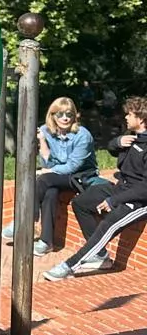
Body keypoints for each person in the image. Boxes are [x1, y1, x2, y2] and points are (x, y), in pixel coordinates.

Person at [44, 97, 147, 280]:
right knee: (81, 202)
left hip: (138, 201)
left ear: (141, 118)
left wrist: (114, 201)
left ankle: (69, 266)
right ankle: (100, 255)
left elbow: (144, 188)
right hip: (121, 188)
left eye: (129, 114)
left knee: (107, 226)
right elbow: (111, 148)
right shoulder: (132, 138)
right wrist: (118, 142)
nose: (125, 117)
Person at [1, 97, 98, 254]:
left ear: (75, 116)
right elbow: (48, 165)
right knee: (50, 192)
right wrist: (43, 142)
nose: (65, 118)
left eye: (69, 114)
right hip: (57, 177)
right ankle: (46, 242)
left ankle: (25, 220)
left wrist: (48, 172)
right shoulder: (46, 131)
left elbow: (72, 166)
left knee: (44, 179)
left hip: (81, 176)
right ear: (52, 115)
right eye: (60, 114)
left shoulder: (82, 135)